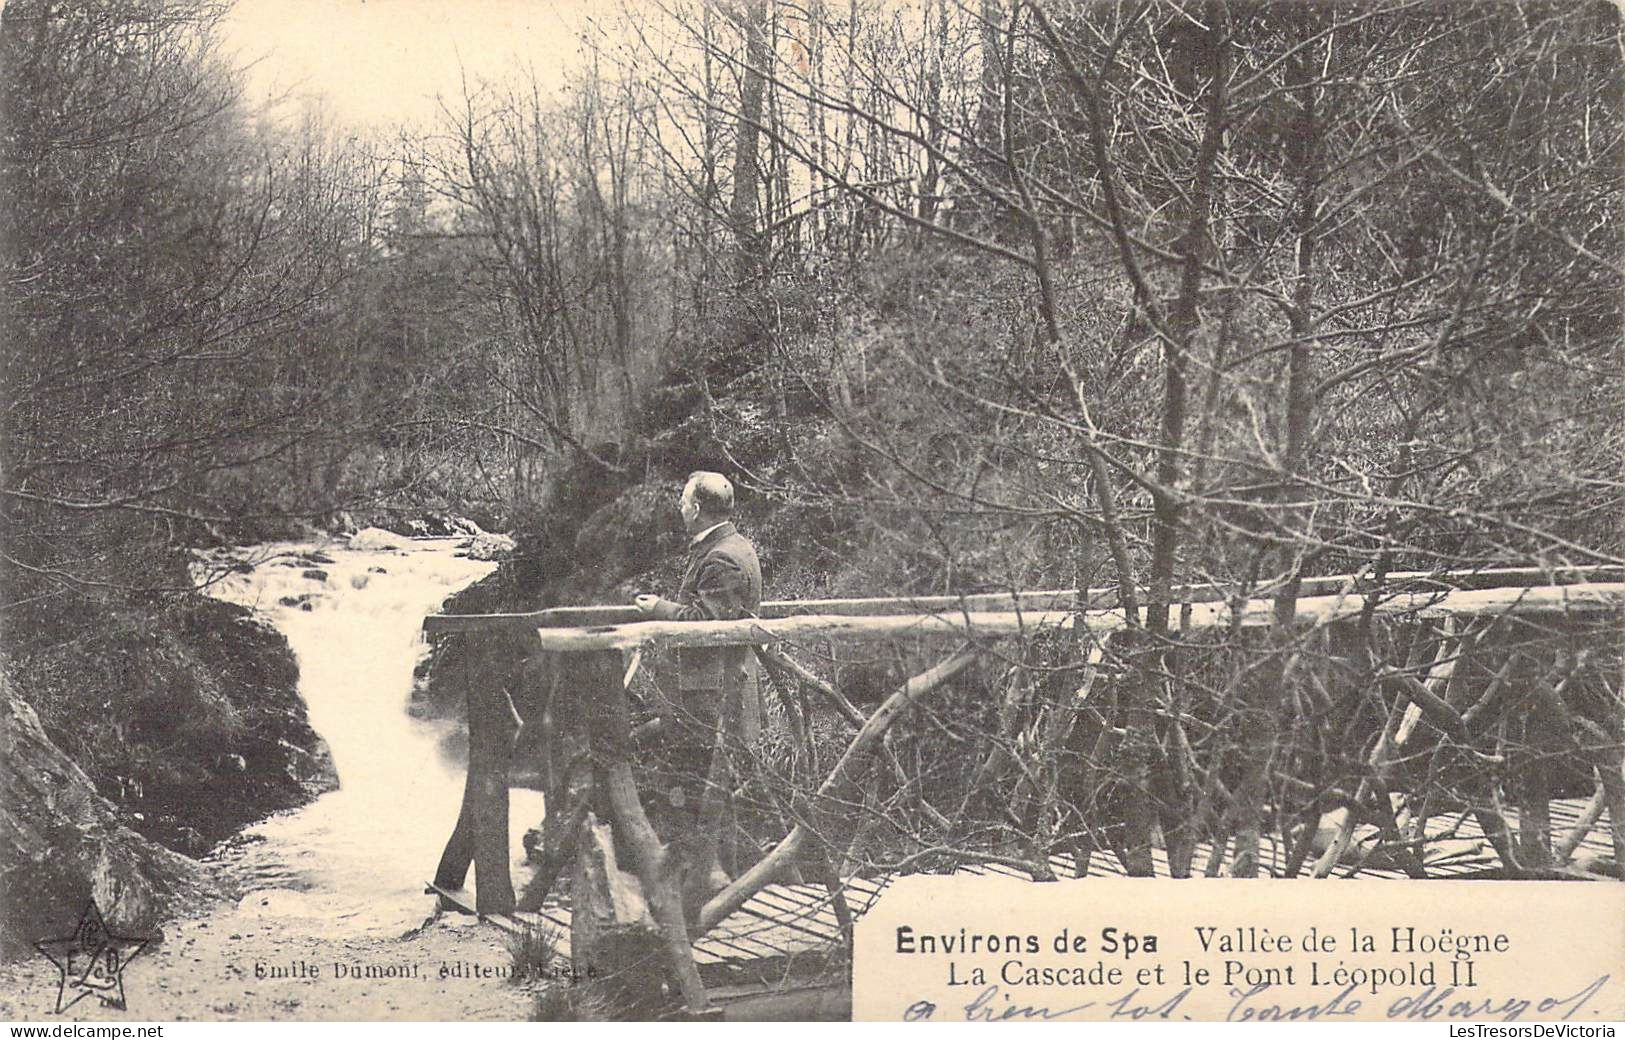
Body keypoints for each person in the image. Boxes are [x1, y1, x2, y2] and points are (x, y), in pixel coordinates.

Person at [632, 471, 763, 916]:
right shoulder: (731, 546)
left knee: (695, 790)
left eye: (684, 502)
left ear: (696, 508)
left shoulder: (721, 557)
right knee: (706, 792)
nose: (680, 508)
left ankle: (695, 901)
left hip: (707, 698)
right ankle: (711, 886)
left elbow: (707, 625)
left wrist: (658, 611)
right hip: (712, 693)